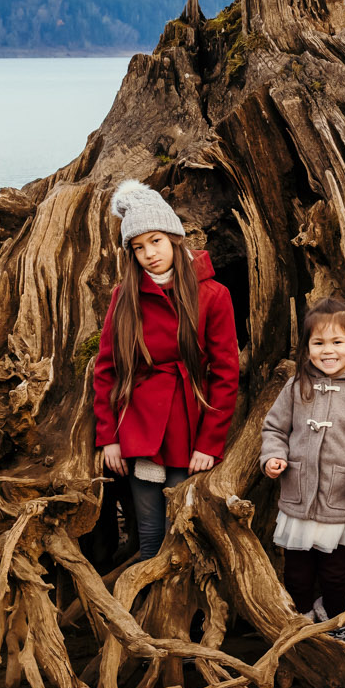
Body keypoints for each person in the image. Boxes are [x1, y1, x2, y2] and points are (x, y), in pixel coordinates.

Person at [92, 179, 241, 562]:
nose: (149, 254)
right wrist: (108, 437)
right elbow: (106, 368)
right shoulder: (124, 296)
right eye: (138, 247)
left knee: (184, 527)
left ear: (175, 238)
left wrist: (209, 444)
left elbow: (225, 374)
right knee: (150, 534)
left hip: (189, 424)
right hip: (139, 426)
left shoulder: (213, 294)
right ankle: (141, 614)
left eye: (155, 241)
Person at [259, 294, 345, 644]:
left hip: (343, 501)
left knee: (337, 575)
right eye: (318, 342)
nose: (328, 350)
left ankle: (337, 623)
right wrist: (273, 457)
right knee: (297, 574)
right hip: (299, 501)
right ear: (307, 347)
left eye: (337, 341)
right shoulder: (296, 387)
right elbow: (274, 429)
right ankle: (303, 623)